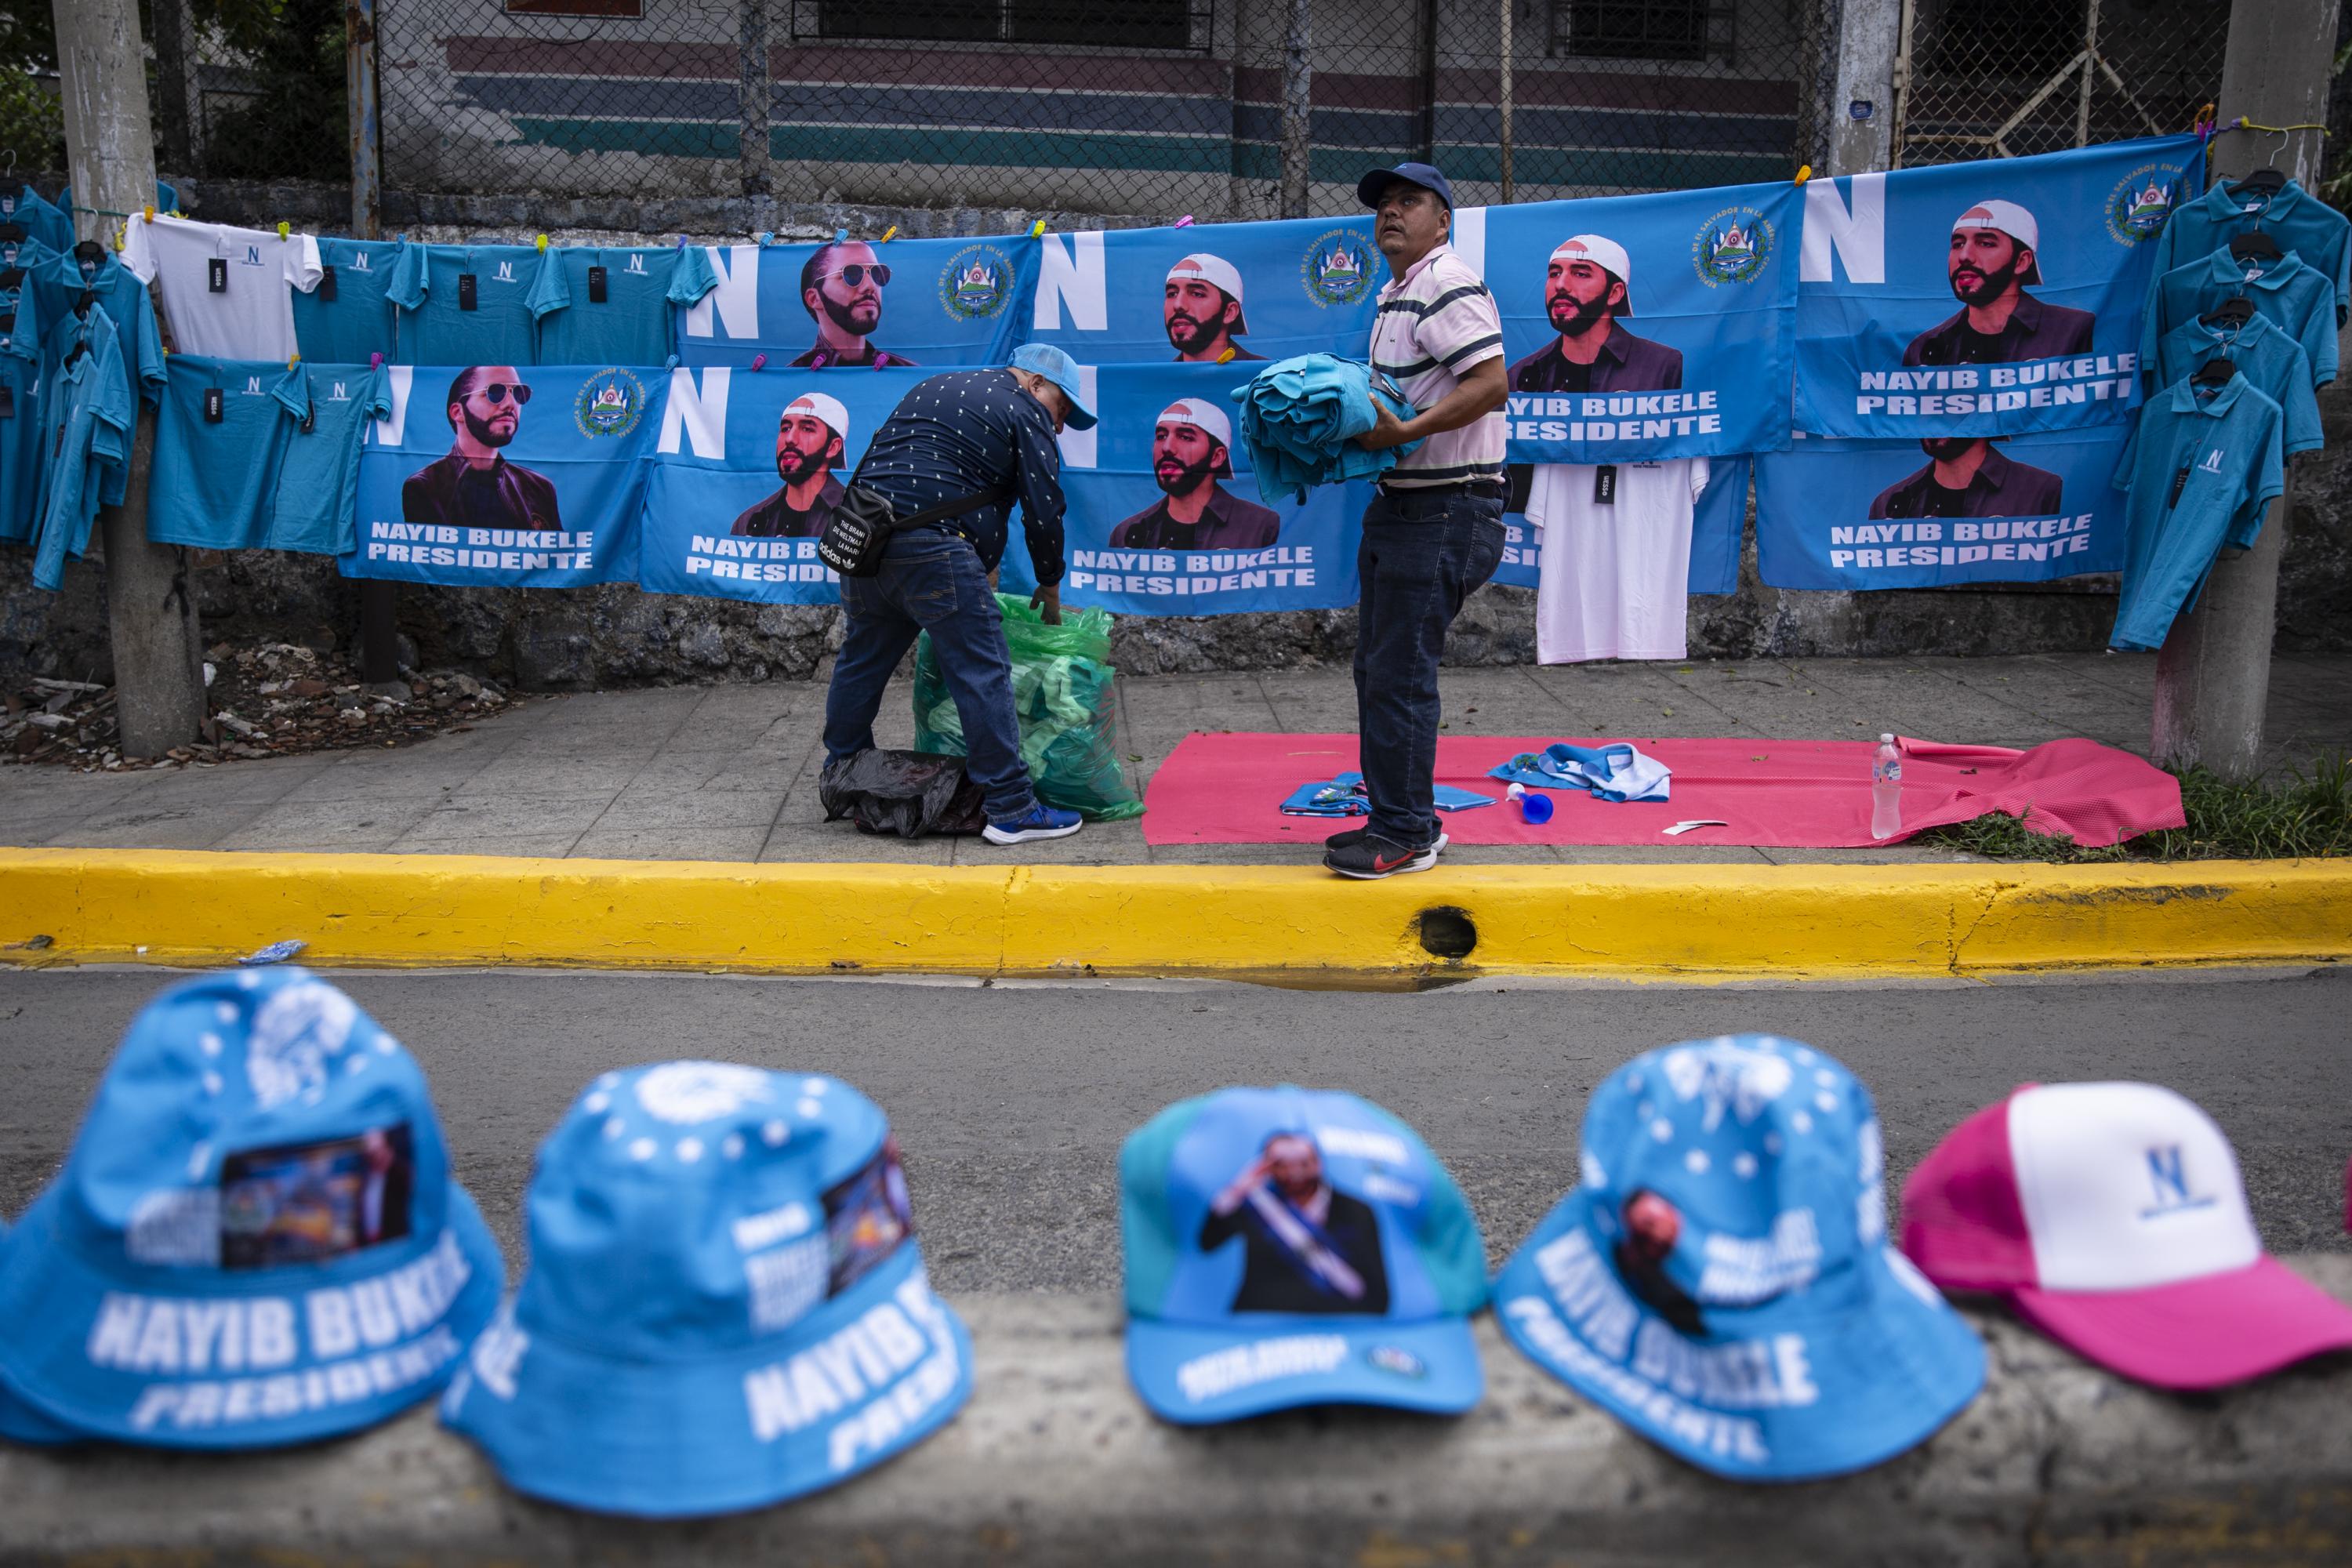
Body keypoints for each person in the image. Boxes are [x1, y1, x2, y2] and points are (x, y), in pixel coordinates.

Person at [822, 343, 1097, 846]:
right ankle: (1012, 808)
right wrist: (1049, 582)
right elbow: (1043, 507)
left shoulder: (935, 386)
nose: (1058, 426)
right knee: (981, 669)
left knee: (862, 658)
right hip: (933, 550)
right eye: (1061, 409)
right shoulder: (1023, 407)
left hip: (865, 541)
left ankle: (842, 775)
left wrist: (980, 557)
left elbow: (909, 464)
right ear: (1037, 383)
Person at [1332, 161, 1510, 880]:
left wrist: (1402, 437)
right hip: (1403, 505)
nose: (1391, 214)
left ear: (1442, 220)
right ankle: (1401, 816)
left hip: (1445, 508)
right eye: (1383, 205)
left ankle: (1403, 832)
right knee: (1377, 670)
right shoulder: (1397, 293)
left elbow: (1492, 383)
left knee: (1400, 675)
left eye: (1410, 202)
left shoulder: (1445, 281)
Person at [1197, 1131, 1390, 1315]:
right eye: (1282, 1164)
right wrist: (1238, 1189)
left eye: (1303, 1163)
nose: (1294, 1172)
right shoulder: (1256, 1205)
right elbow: (1208, 1243)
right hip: (1263, 1318)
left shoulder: (1356, 1209)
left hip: (1337, 1319)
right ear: (1265, 1166)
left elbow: (1376, 1288)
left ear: (1318, 1163)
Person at [1904, 200, 2095, 366]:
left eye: (1985, 243)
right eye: (1958, 244)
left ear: (2022, 262)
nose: (1964, 256)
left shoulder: (2073, 332)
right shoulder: (1925, 348)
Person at [1507, 234, 1684, 394]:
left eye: (1581, 274)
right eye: (1554, 273)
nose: (1560, 285)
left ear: (1614, 293)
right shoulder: (1523, 375)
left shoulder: (1662, 367)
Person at [401, 365, 561, 532]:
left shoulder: (540, 489)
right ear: (458, 412)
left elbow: (557, 555)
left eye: (519, 394)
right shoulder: (424, 487)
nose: (511, 404)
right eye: (495, 393)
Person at [1109, 398, 1279, 550]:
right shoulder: (1127, 533)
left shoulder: (1260, 527)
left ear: (1216, 456)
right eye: (1161, 436)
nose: (1167, 447)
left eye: (1185, 437)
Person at [732, 391, 848, 537]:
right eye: (785, 428)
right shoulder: (749, 522)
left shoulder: (852, 516)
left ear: (833, 447)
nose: (790, 439)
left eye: (807, 429)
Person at [1868, 436, 2065, 520]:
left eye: (1950, 407)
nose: (1934, 419)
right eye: (1925, 408)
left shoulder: (2042, 491)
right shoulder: (1888, 503)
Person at [791, 239, 916, 369]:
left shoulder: (906, 373)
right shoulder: (794, 378)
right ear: (814, 298)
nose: (871, 286)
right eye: (851, 274)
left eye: (877, 273)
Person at [1163, 253, 1262, 364]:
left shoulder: (1266, 377)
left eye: (1197, 294)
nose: (1178, 305)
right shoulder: (1160, 380)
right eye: (1172, 294)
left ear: (1229, 312)